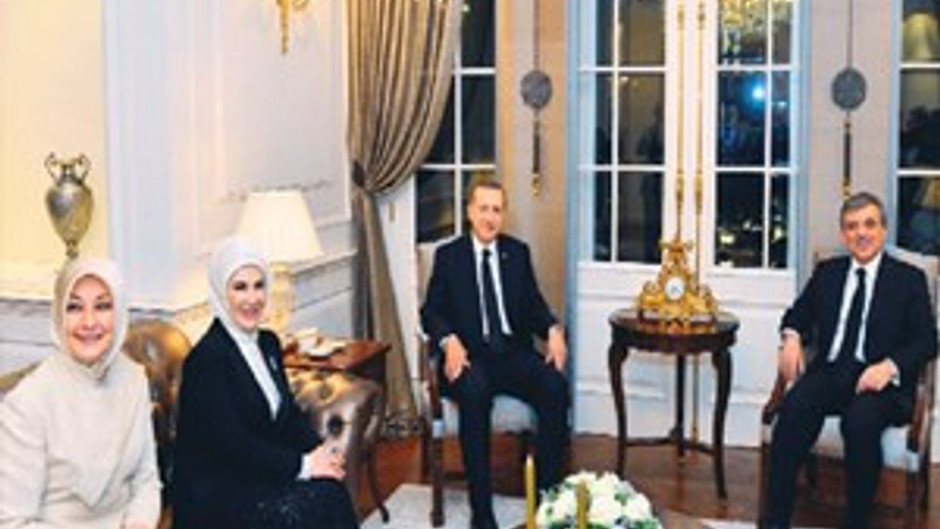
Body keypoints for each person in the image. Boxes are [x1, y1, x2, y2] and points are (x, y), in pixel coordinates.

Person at [762, 192, 938, 529]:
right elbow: (798, 314)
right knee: (794, 409)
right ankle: (776, 522)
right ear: (844, 234)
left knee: (859, 422)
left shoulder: (908, 279)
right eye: (852, 226)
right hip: (831, 373)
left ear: (883, 230)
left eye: (869, 224)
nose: (861, 233)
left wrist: (889, 366)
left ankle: (856, 522)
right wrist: (792, 337)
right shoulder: (828, 273)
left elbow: (928, 341)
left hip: (881, 385)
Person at [171, 238, 358, 529]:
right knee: (308, 507)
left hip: (256, 471)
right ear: (221, 292)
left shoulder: (268, 343)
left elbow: (289, 415)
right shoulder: (207, 359)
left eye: (259, 286)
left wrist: (320, 452)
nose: (252, 299)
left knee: (330, 490)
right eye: (240, 287)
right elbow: (233, 444)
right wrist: (305, 466)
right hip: (217, 491)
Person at [421, 177, 570, 529]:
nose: (490, 217)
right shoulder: (449, 256)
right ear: (470, 212)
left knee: (554, 386)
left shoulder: (517, 253)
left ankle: (547, 499)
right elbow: (431, 312)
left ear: (504, 215)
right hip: (468, 358)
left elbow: (533, 305)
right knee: (475, 392)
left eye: (497, 210)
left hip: (512, 355)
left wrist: (552, 329)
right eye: (484, 209)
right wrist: (448, 340)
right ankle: (482, 511)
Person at [0, 258, 161, 529]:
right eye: (74, 307)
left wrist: (140, 523)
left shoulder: (134, 379)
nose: (89, 322)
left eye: (102, 306)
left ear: (119, 313)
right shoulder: (27, 404)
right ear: (59, 315)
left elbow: (145, 480)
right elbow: (12, 523)